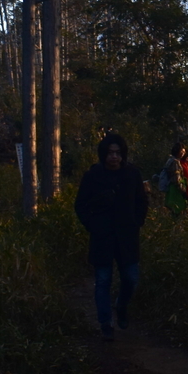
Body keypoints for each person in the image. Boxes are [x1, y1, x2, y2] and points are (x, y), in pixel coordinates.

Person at [74, 132, 148, 340]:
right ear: (103, 155)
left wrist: (137, 221)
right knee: (103, 280)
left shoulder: (132, 174)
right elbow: (80, 205)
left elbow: (141, 201)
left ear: (123, 154)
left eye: (117, 153)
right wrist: (92, 224)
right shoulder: (93, 176)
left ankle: (121, 306)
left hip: (127, 237)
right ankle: (105, 323)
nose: (114, 157)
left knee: (131, 278)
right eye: (110, 153)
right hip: (102, 238)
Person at [160, 143, 188, 215]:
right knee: (178, 211)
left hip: (171, 189)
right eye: (182, 152)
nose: (183, 154)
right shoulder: (175, 162)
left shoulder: (170, 160)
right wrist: (183, 191)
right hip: (176, 191)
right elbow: (176, 179)